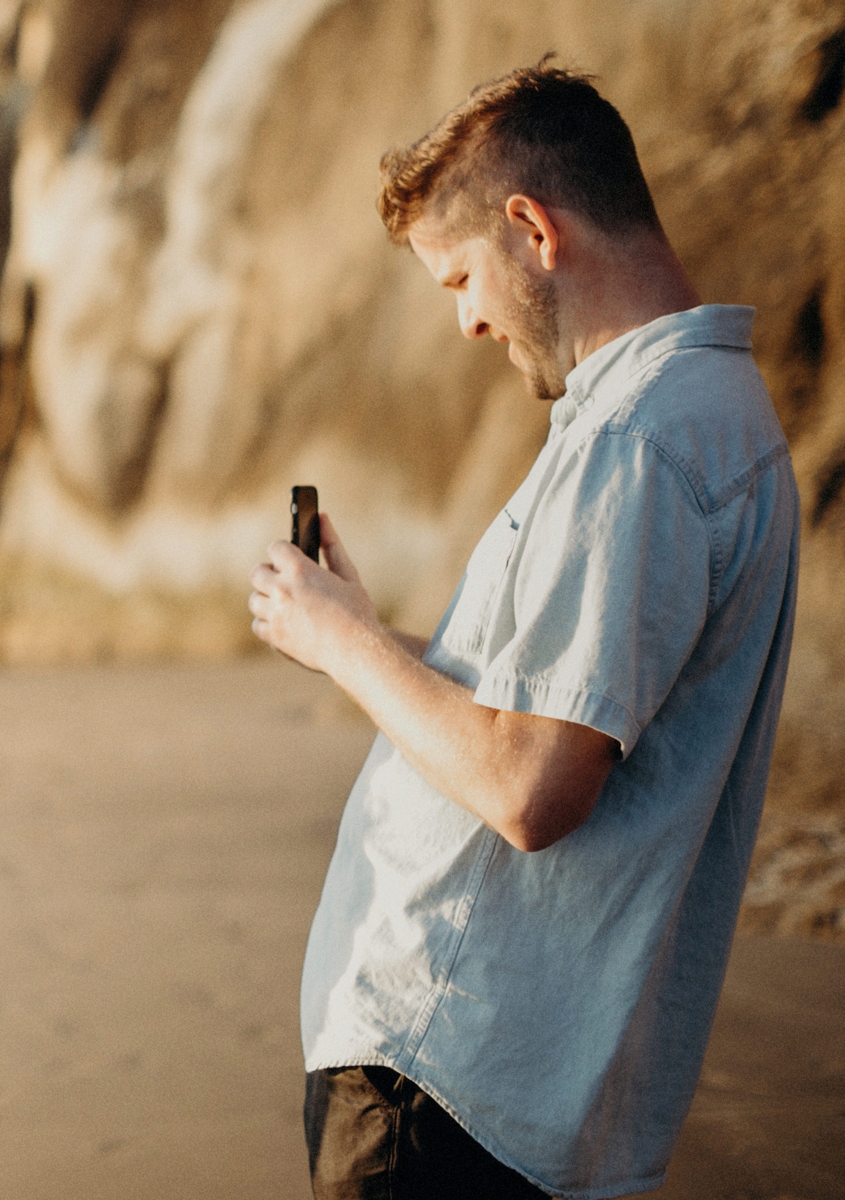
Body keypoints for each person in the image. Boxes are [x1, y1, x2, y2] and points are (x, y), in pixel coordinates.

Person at [248, 62, 799, 1199]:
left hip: (449, 1080)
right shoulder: (702, 413)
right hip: (491, 1081)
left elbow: (535, 787)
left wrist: (347, 647)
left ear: (531, 228)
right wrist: (353, 626)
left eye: (460, 277)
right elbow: (550, 701)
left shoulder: (636, 443)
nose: (466, 321)